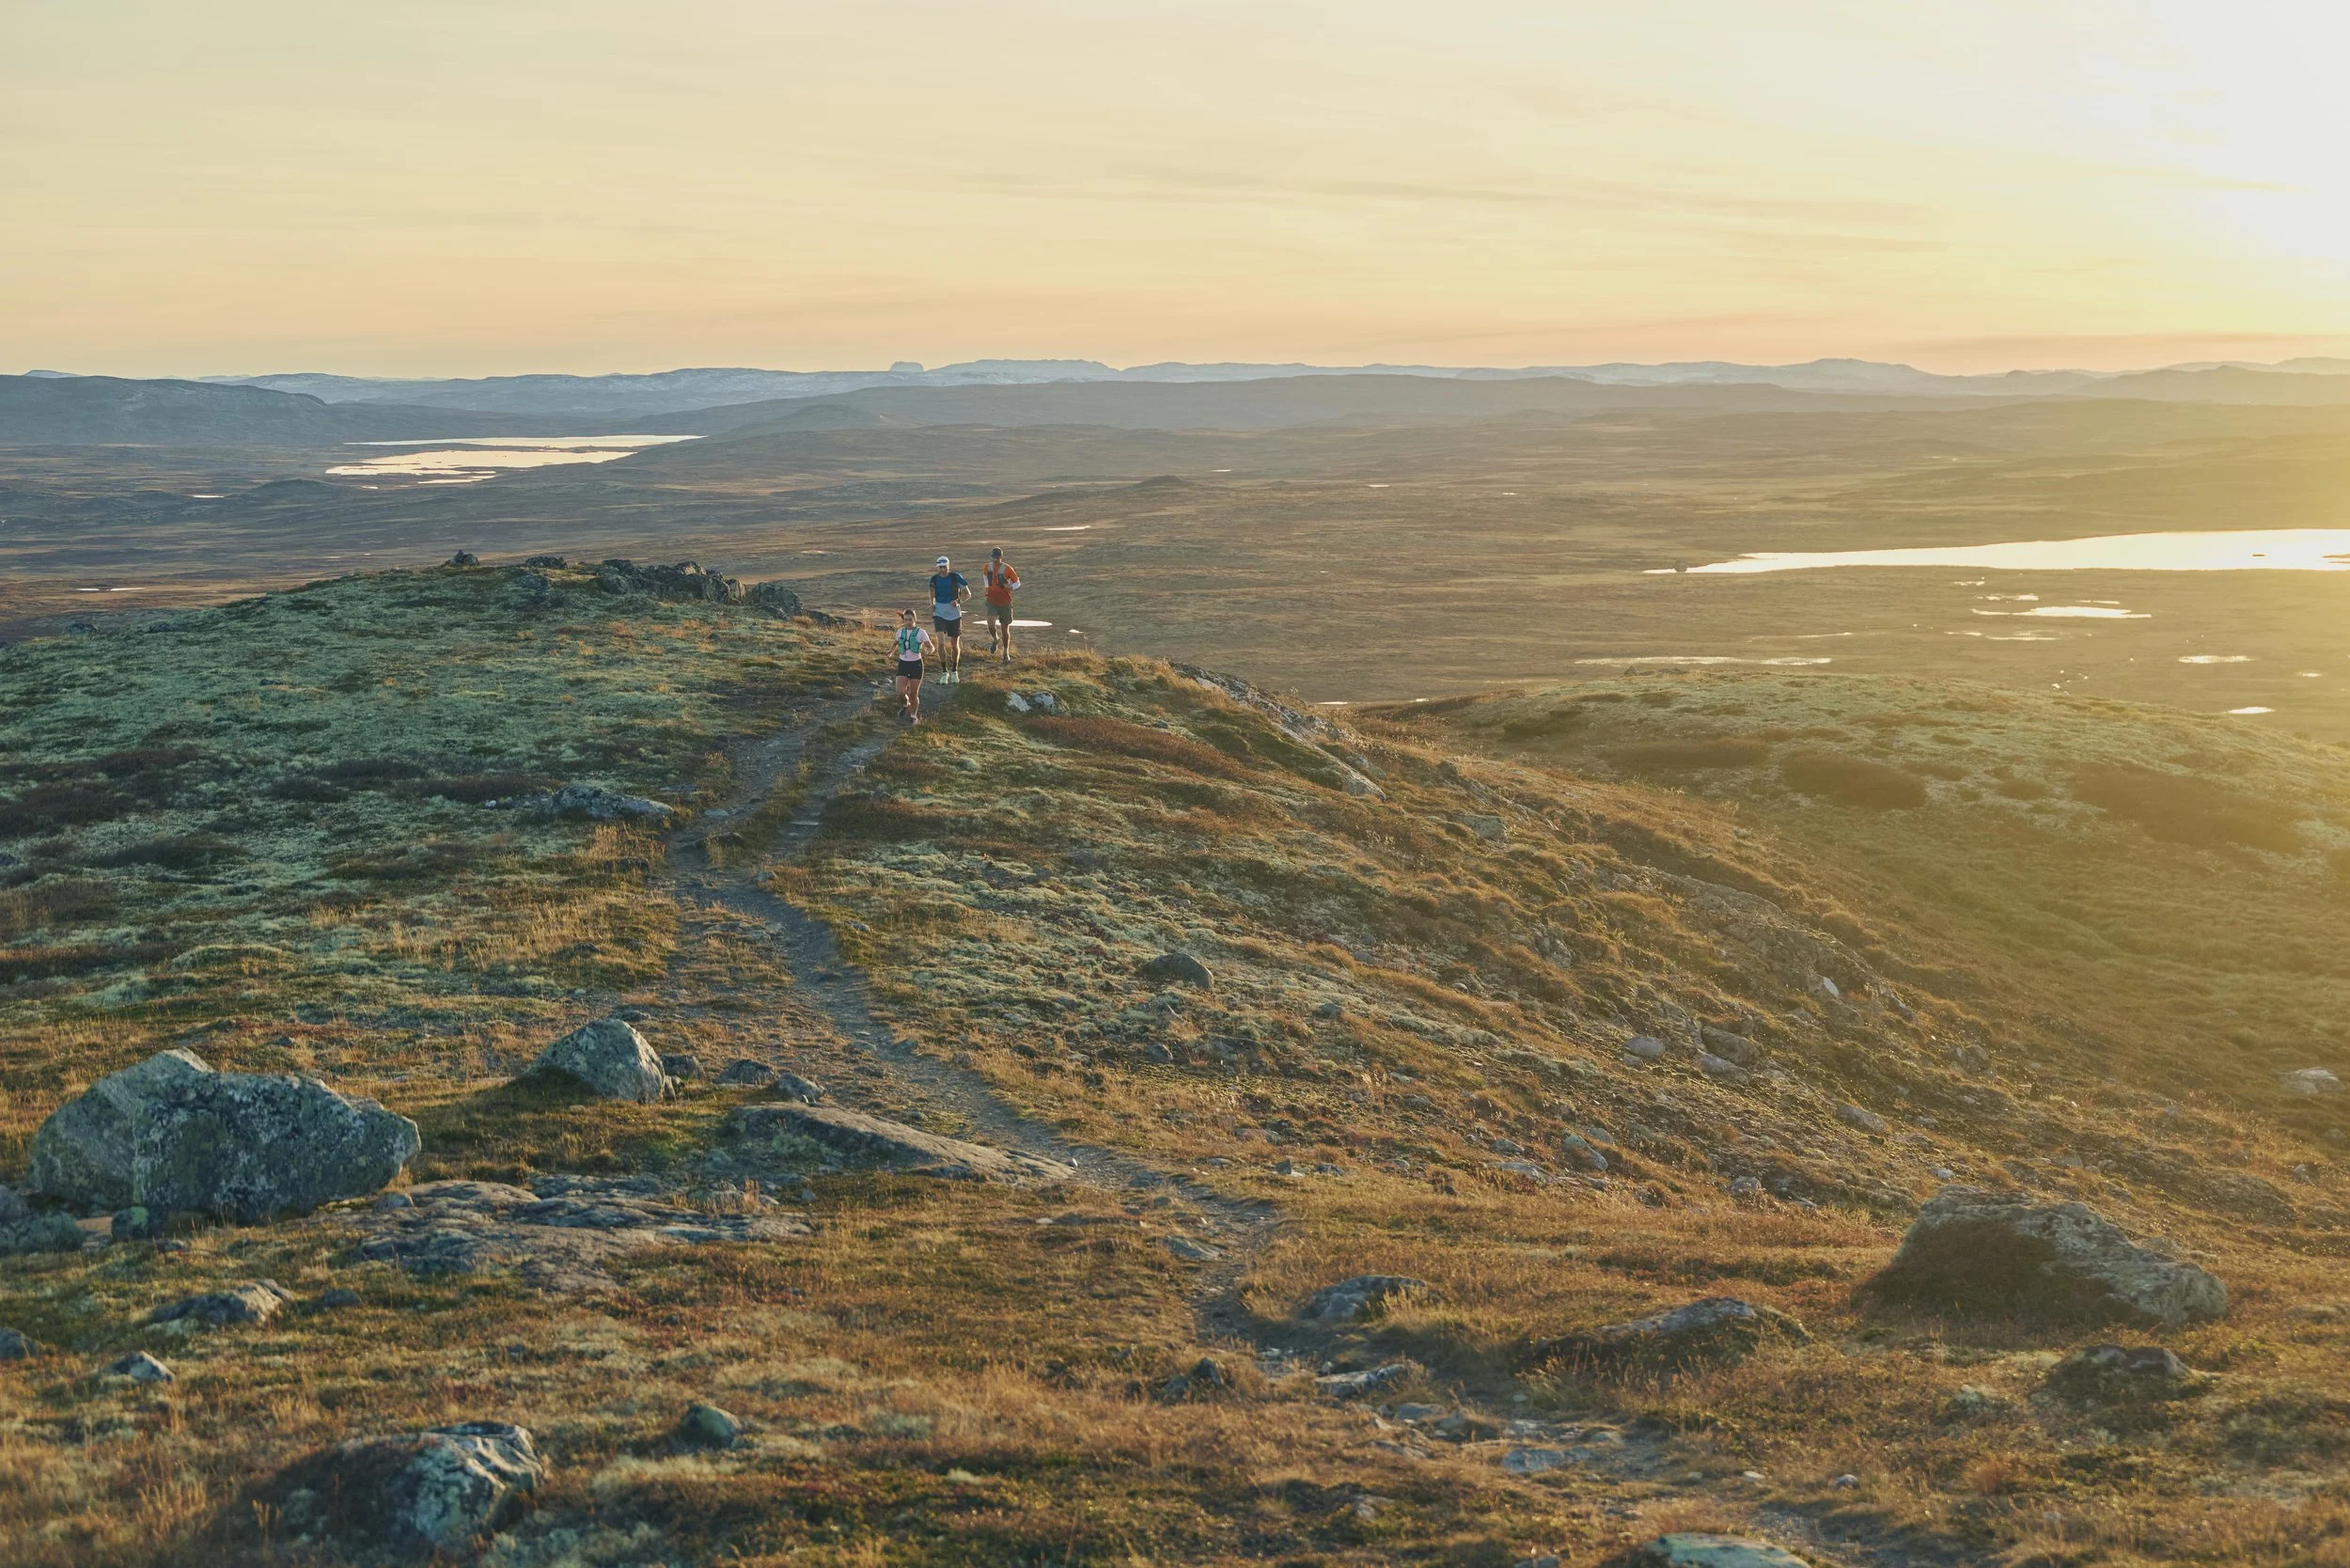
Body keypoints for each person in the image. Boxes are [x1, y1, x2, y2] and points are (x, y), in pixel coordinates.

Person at [928, 555, 970, 682]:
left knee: (954, 644)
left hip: (954, 614)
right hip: (939, 612)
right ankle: (944, 671)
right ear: (938, 568)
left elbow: (967, 593)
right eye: (940, 567)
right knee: (940, 643)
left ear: (948, 566)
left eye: (944, 567)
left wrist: (958, 601)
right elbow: (931, 590)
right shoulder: (934, 579)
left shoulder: (955, 577)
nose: (943, 569)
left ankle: (954, 671)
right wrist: (932, 603)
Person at [892, 608, 932, 722]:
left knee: (913, 694)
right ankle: (906, 705)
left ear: (915, 619)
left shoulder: (921, 632)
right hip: (903, 664)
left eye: (910, 620)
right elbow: (895, 642)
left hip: (916, 665)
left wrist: (928, 651)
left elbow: (931, 646)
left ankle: (913, 716)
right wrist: (890, 651)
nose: (908, 622)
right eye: (905, 620)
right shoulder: (900, 632)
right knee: (900, 693)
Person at [981, 546, 1022, 661]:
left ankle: (1005, 652)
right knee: (990, 625)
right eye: (994, 557)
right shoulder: (986, 567)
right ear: (992, 557)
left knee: (1005, 629)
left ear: (1001, 557)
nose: (996, 559)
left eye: (998, 557)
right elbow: (985, 576)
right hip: (991, 601)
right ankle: (995, 639)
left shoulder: (1007, 568)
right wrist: (987, 588)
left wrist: (1010, 587)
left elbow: (1018, 582)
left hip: (1005, 601)